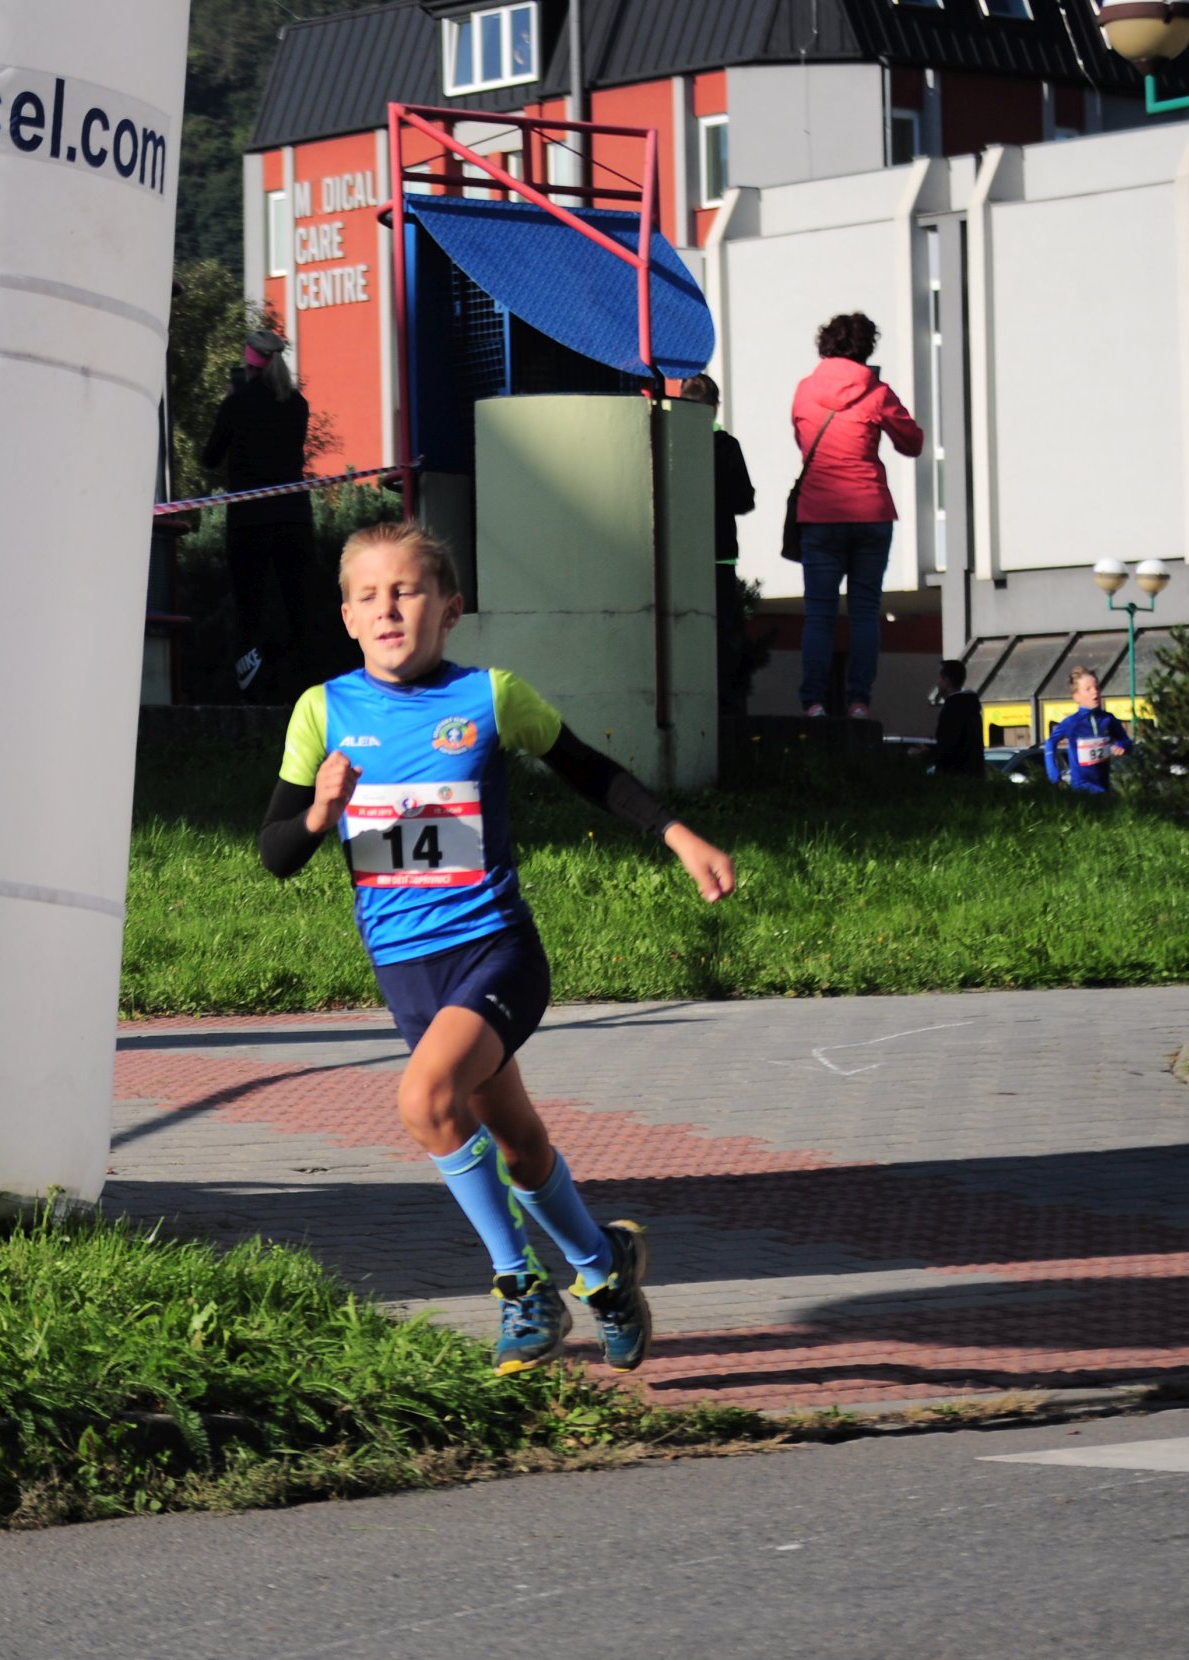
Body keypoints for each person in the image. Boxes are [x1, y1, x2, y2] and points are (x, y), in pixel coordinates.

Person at [256, 520, 738, 1376]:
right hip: (407, 972)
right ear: (348, 618)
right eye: (368, 596)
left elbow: (588, 768)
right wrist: (321, 813)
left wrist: (677, 834)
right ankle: (606, 1270)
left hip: (494, 951)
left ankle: (523, 1288)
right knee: (515, 1140)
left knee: (424, 1098)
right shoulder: (323, 711)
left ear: (450, 609)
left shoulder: (490, 697)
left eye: (407, 591)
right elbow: (276, 853)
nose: (388, 608)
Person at [791, 313, 922, 720]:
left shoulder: (805, 390)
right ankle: (858, 702)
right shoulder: (877, 392)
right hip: (870, 512)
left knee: (819, 613)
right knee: (865, 610)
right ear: (866, 348)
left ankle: (814, 703)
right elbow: (913, 443)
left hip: (819, 513)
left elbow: (802, 441)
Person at [200, 329, 312, 701]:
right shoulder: (298, 405)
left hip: (250, 520)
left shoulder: (238, 404)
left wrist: (228, 406)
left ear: (249, 364)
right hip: (294, 516)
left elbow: (210, 457)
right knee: (297, 605)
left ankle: (252, 690)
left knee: (249, 606)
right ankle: (302, 686)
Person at [677, 374, 756, 708]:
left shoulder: (672, 443)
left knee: (682, 628)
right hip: (719, 555)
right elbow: (744, 501)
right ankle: (722, 703)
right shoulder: (726, 446)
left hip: (680, 556)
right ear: (714, 407)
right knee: (722, 633)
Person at [1043, 665, 1134, 794]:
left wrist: (1122, 746)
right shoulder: (1072, 722)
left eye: (1096, 687)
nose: (1095, 692)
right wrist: (1053, 774)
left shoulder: (1108, 719)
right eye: (1088, 689)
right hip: (1081, 786)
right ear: (1076, 697)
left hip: (1104, 784)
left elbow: (1126, 741)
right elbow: (1050, 742)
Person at [932, 659, 985, 777]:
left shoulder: (953, 709)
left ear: (947, 681)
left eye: (940, 678)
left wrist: (926, 753)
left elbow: (948, 747)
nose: (937, 682)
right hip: (970, 778)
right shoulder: (970, 706)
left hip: (956, 779)